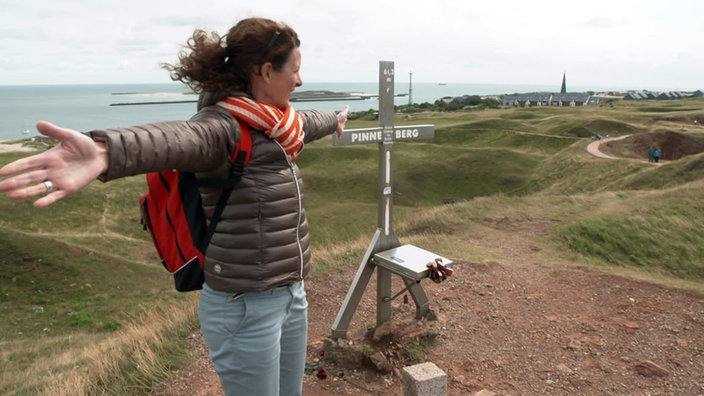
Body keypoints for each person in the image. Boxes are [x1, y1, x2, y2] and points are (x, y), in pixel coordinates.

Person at [0, 17, 348, 396]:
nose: (299, 81)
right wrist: (106, 151)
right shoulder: (221, 128)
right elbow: (174, 139)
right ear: (266, 71)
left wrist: (337, 119)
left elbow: (310, 121)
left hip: (291, 295)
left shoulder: (283, 126)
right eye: (294, 71)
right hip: (245, 307)